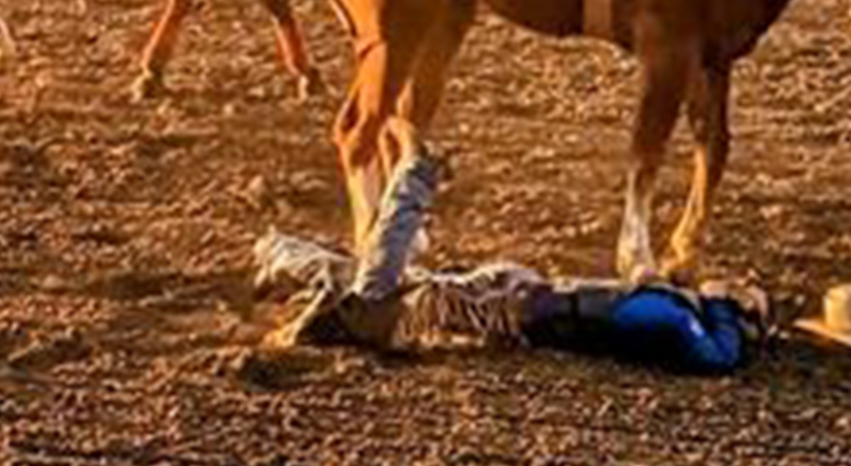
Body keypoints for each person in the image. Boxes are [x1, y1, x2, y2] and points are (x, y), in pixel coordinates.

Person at [257, 148, 770, 375]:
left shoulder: (690, 327)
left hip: (520, 305)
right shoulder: (382, 314)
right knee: (373, 270)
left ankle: (275, 252)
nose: (736, 284)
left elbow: (675, 329)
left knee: (375, 269)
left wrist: (416, 173)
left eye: (743, 294)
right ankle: (275, 252)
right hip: (512, 302)